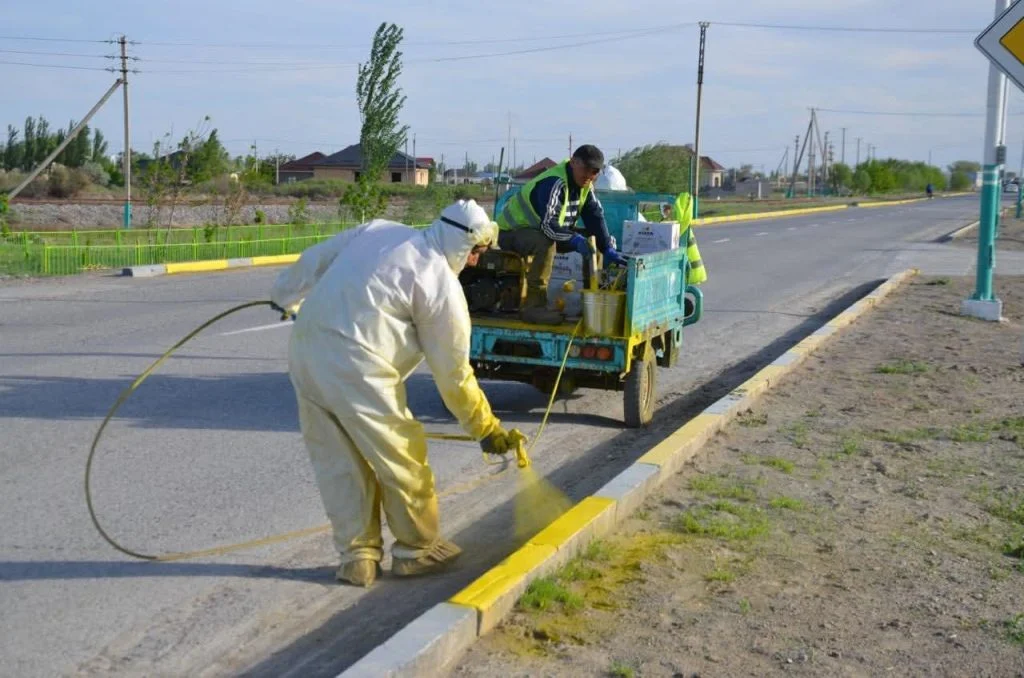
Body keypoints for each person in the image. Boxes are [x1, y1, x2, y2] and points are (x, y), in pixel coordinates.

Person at [269, 200, 521, 588]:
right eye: (474, 253)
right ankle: (416, 550)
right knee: (401, 458)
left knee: (338, 463)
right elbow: (454, 374)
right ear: (461, 244)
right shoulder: (440, 283)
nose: (473, 263)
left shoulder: (380, 230)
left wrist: (284, 296)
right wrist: (485, 428)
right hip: (359, 369)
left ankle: (357, 559)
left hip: (306, 353)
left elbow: (315, 259)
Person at [496, 144, 628, 324]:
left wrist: (607, 248)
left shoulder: (585, 187)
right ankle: (534, 307)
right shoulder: (554, 182)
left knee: (592, 242)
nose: (589, 175)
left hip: (541, 230)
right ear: (573, 162)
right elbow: (549, 227)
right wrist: (574, 240)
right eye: (586, 169)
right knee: (546, 243)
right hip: (511, 233)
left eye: (595, 172)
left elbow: (595, 217)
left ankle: (590, 304)